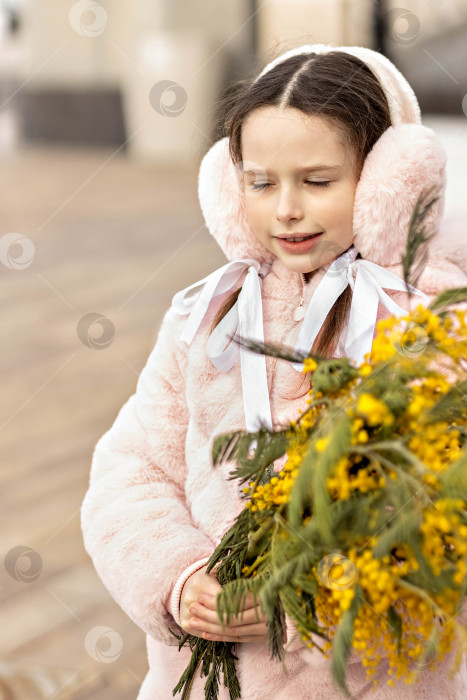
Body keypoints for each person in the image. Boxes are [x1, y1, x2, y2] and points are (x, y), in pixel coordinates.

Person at [80, 43, 467, 699]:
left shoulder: (434, 329)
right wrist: (178, 578)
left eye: (316, 181)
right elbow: (133, 465)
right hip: (207, 682)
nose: (285, 208)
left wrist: (308, 594)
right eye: (260, 183)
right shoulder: (209, 317)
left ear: (387, 181)